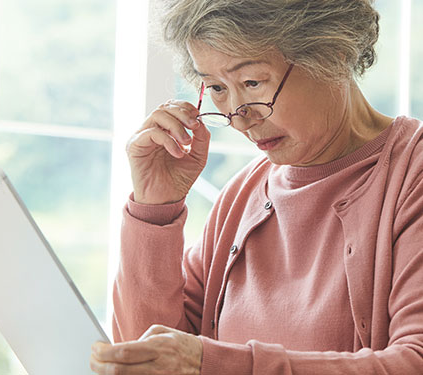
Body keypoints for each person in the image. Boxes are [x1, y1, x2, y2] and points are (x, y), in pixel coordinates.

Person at [91, 0, 423, 373]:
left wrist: (210, 363)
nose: (237, 116)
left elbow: (414, 361)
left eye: (252, 82)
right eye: (216, 87)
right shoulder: (243, 193)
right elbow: (146, 355)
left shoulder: (413, 175)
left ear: (335, 52)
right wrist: (154, 209)